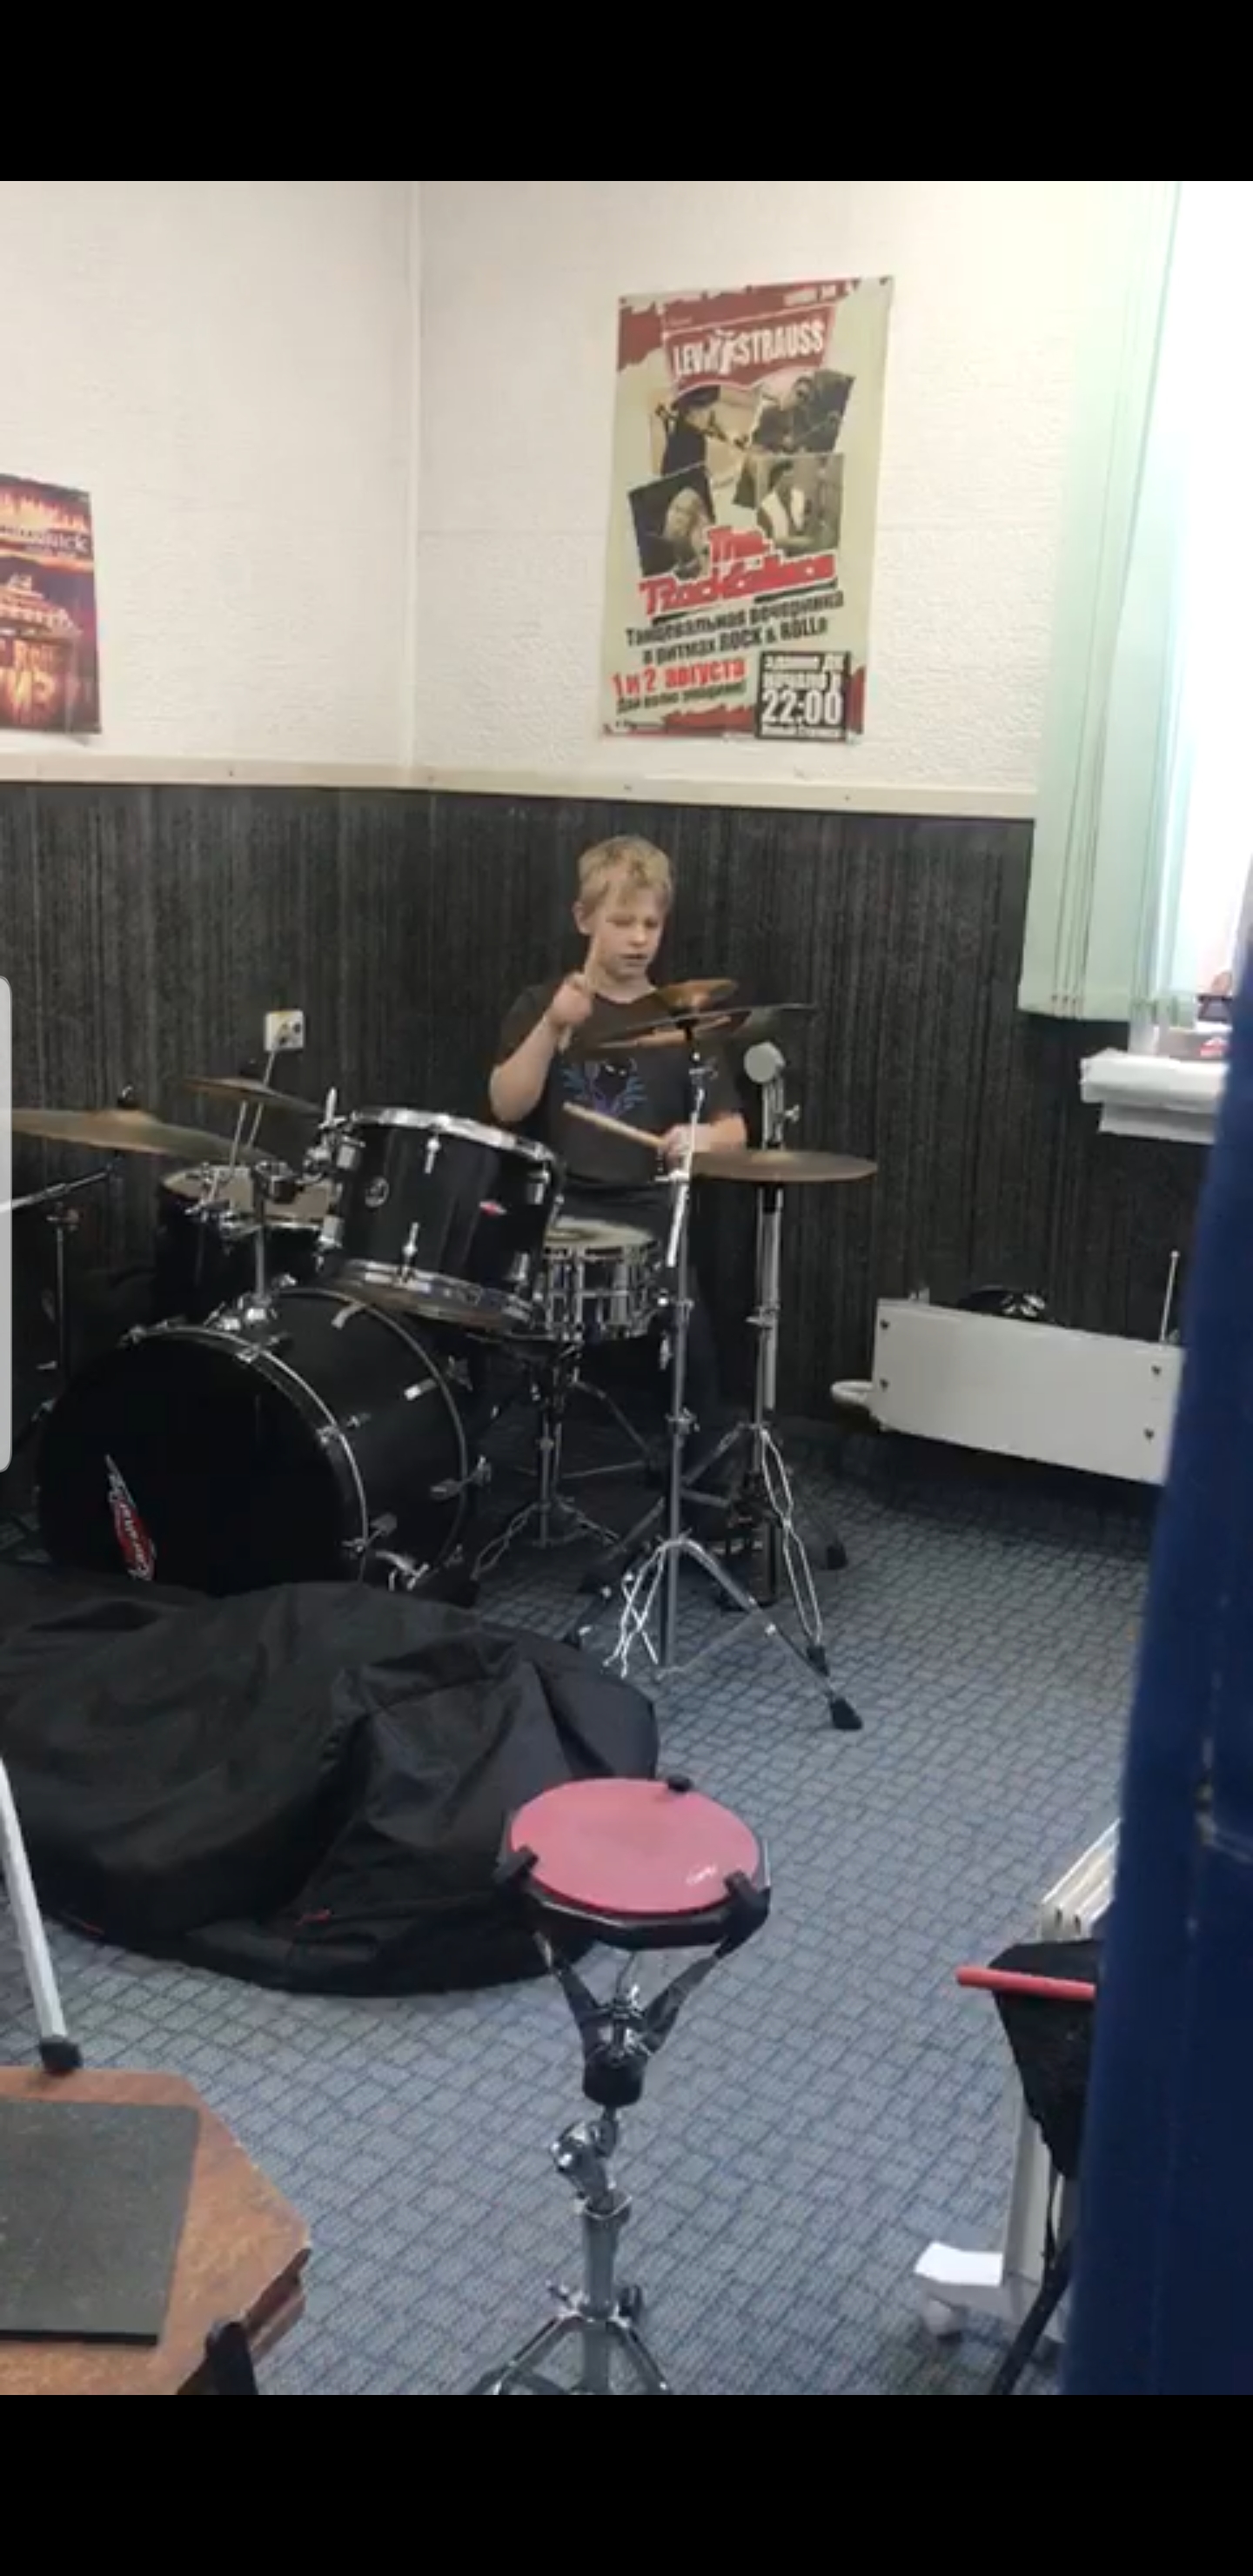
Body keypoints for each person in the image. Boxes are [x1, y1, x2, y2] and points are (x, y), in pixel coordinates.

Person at [490, 835, 747, 1477]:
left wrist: (699, 1139)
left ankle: (700, 1485)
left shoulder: (684, 1022)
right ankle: (492, 1467)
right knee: (488, 1321)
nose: (638, 939)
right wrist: (554, 1026)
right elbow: (506, 1105)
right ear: (584, 919)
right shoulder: (543, 1004)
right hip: (558, 1206)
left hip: (647, 1211)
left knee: (693, 1341)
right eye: (622, 921)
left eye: (651, 924)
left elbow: (734, 1132)